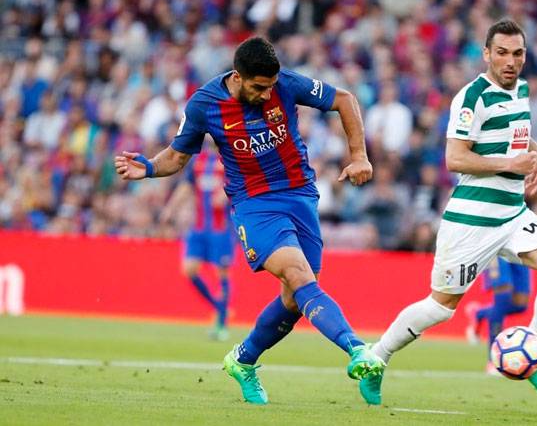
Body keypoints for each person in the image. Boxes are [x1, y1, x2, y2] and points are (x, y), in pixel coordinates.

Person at [114, 37, 385, 405]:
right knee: (299, 276)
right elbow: (177, 158)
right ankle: (358, 350)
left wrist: (358, 155)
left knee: (295, 298)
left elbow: (344, 99)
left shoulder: (285, 84)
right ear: (238, 78)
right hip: (255, 204)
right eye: (259, 87)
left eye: (271, 86)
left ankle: (242, 360)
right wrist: (146, 167)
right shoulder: (205, 104)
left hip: (301, 195)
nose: (266, 94)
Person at [360, 19, 537, 405]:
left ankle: (532, 350)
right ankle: (376, 358)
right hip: (471, 221)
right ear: (486, 54)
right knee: (440, 308)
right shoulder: (472, 97)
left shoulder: (523, 91)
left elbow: (517, 131)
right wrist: (509, 166)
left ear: (525, 56)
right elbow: (455, 157)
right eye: (501, 53)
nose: (510, 61)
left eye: (517, 53)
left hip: (513, 215)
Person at [160, 144, 234, 341]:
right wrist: (171, 208)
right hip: (199, 227)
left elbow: (240, 184)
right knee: (189, 269)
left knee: (222, 273)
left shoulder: (230, 160)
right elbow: (186, 187)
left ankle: (221, 325)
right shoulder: (199, 161)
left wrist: (226, 193)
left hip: (221, 229)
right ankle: (219, 307)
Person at [464, 257, 531, 374]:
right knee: (502, 299)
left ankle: (478, 314)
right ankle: (494, 361)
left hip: (522, 247)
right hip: (499, 247)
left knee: (520, 305)